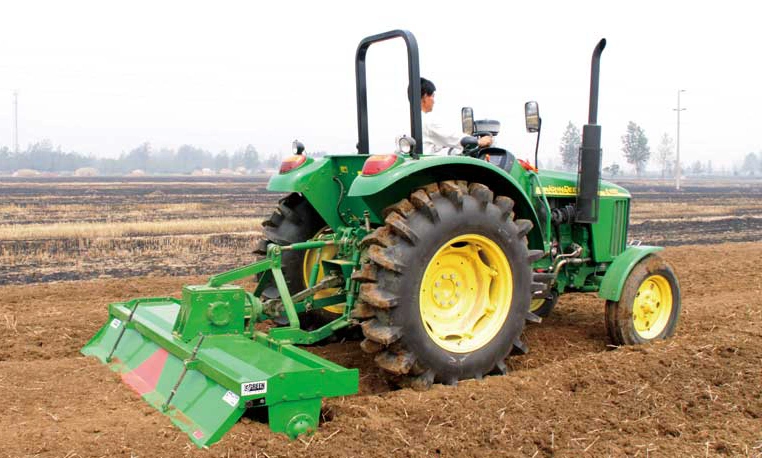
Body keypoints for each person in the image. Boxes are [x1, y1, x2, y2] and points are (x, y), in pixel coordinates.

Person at [421, 77, 493, 155]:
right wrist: (478, 141)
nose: (434, 101)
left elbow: (442, 145)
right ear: (425, 96)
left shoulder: (412, 122)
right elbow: (452, 137)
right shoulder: (427, 122)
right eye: (432, 96)